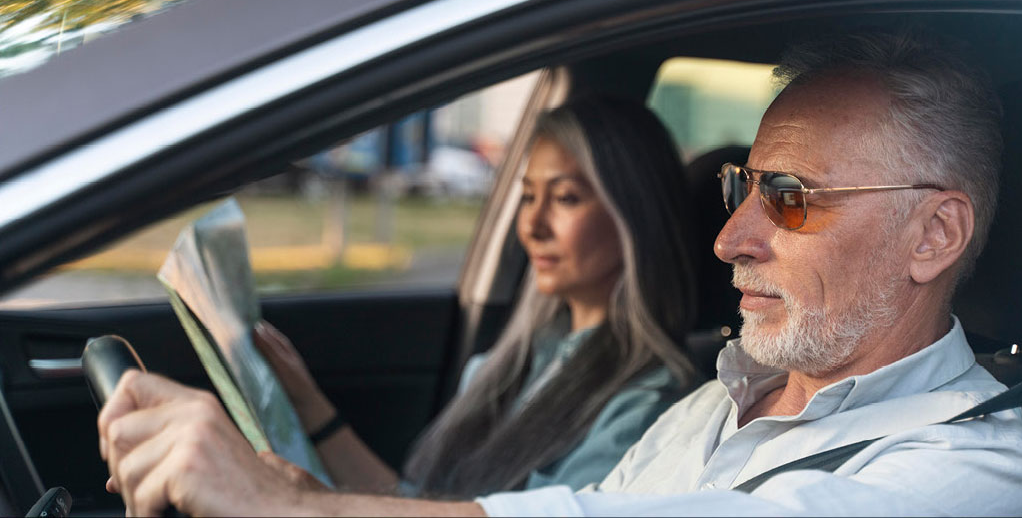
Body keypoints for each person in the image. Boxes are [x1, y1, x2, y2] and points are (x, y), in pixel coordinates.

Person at [97, 29, 1022, 517]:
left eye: (788, 196)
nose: (730, 237)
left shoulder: (977, 476)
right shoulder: (717, 401)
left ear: (933, 234)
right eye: (740, 187)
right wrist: (301, 495)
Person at [99, 94, 708, 505]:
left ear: (634, 216)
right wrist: (309, 407)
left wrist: (300, 506)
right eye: (526, 196)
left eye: (567, 198)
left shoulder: (647, 407)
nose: (533, 225)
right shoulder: (517, 359)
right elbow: (416, 503)